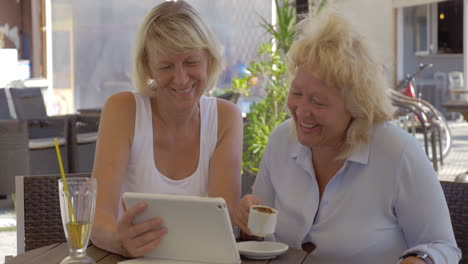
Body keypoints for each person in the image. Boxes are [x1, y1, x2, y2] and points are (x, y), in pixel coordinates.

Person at [233, 13, 461, 264]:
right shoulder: (280, 141)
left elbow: (443, 246)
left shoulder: (397, 152)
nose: (301, 110)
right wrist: (247, 220)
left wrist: (421, 260)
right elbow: (259, 234)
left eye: (318, 102)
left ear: (356, 106)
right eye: (296, 92)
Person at [90, 0, 243, 258]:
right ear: (148, 66)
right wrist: (119, 240)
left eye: (191, 62)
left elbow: (223, 223)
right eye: (166, 66)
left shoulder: (226, 117)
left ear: (209, 59)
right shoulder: (123, 110)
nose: (181, 78)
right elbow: (97, 220)